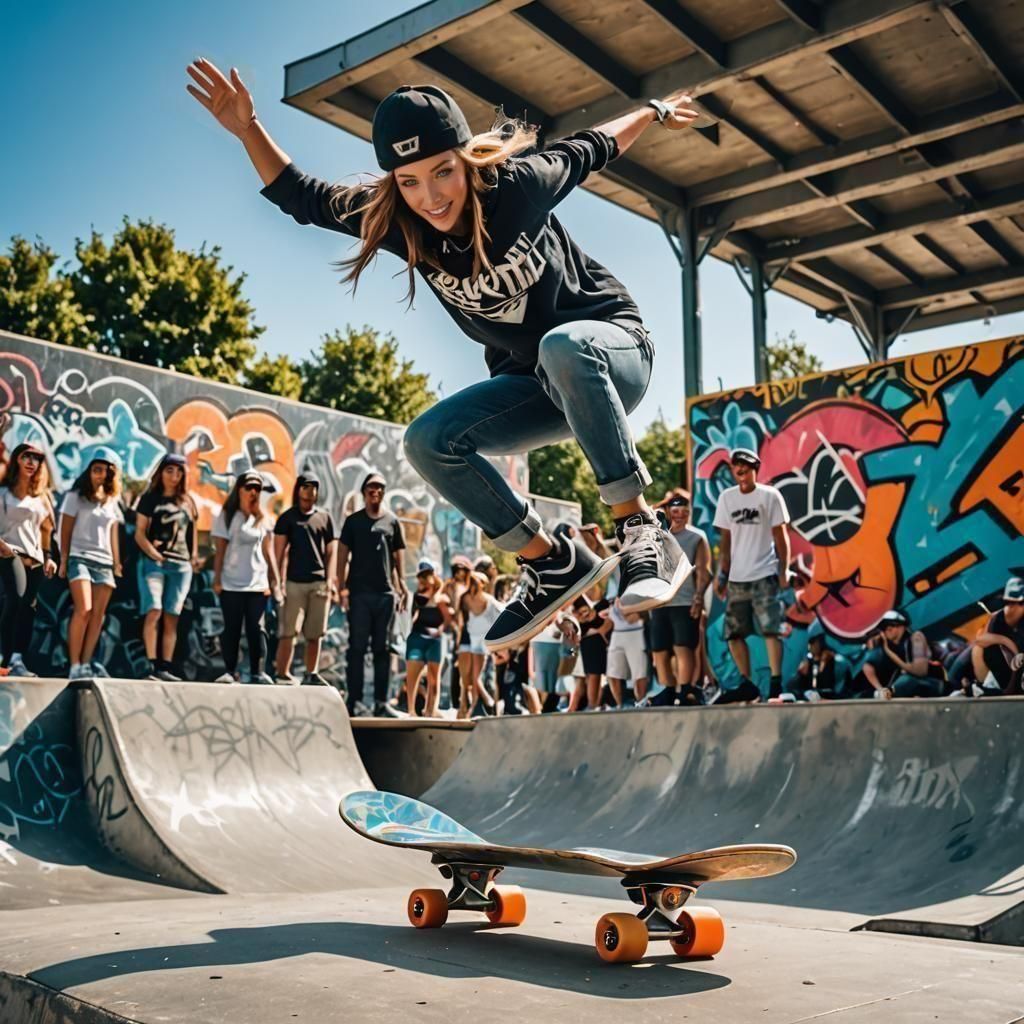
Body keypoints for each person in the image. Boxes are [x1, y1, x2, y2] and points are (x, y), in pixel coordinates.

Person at [188, 62, 700, 656]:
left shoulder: (518, 186)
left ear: (466, 159)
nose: (431, 198)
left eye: (443, 174)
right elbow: (302, 197)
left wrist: (656, 109)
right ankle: (552, 563)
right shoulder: (397, 221)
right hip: (536, 387)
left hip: (613, 354)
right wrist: (249, 128)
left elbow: (596, 145)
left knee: (563, 346)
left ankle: (641, 528)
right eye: (409, 182)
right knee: (427, 440)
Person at [712, 448, 791, 703]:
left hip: (764, 573)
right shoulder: (727, 498)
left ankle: (777, 684)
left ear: (755, 468)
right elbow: (726, 540)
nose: (740, 469)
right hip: (737, 578)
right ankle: (748, 684)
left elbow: (781, 537)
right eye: (736, 465)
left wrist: (784, 569)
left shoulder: (770, 496)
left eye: (745, 465)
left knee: (771, 630)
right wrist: (721, 575)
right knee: (734, 635)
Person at [338, 472, 408, 717]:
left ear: (383, 492)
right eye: (370, 488)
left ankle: (381, 702)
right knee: (356, 648)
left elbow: (399, 556)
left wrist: (403, 587)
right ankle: (354, 701)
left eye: (379, 487)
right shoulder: (353, 521)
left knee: (383, 649)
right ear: (364, 492)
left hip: (385, 594)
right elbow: (342, 553)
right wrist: (341, 586)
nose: (375, 491)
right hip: (359, 594)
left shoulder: (392, 522)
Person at [59, 447, 124, 680]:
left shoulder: (111, 499)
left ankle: (86, 664)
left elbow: (113, 532)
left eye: (106, 472)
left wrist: (116, 563)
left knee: (98, 615)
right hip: (80, 558)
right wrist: (63, 560)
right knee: (83, 610)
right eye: (97, 470)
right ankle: (74, 664)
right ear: (89, 471)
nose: (101, 475)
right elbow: (64, 530)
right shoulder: (75, 496)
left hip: (104, 562)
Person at [134, 453, 201, 681]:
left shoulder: (187, 501)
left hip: (181, 567)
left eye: (179, 471)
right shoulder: (150, 499)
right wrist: (154, 555)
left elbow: (192, 533)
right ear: (161, 472)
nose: (174, 476)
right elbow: (139, 533)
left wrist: (192, 558)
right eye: (169, 470)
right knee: (154, 610)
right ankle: (150, 666)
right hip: (154, 564)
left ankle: (164, 667)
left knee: (172, 616)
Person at [212, 470, 281, 684]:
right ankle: (230, 671)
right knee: (232, 628)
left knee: (256, 629)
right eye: (249, 488)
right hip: (231, 582)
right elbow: (220, 551)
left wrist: (275, 580)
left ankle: (257, 672)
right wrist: (217, 579)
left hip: (257, 584)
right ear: (239, 490)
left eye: (257, 489)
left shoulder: (264, 518)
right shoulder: (227, 516)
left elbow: (269, 552)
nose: (253, 492)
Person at [273, 473, 338, 686]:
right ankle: (282, 673)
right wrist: (278, 582)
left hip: (318, 582)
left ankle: (312, 673)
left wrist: (330, 580)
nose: (310, 491)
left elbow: (331, 552)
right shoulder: (287, 518)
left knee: (315, 632)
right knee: (288, 632)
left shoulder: (325, 518)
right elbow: (279, 552)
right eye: (306, 486)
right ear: (298, 489)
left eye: (314, 487)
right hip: (293, 583)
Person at [0, 443, 57, 677]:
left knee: (29, 607)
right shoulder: (3, 492)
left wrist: (49, 558)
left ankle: (17, 659)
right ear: (17, 460)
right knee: (16, 598)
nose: (32, 462)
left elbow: (46, 531)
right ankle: (4, 655)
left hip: (34, 558)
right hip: (8, 552)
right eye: (27, 457)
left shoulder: (41, 498)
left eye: (37, 459)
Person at [650, 492, 710, 706]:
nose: (679, 515)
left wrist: (698, 598)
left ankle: (685, 690)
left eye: (684, 511)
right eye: (675, 510)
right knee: (659, 651)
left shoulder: (697, 537)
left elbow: (704, 571)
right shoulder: (658, 536)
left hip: (685, 601)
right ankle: (667, 690)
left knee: (683, 647)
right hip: (660, 601)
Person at [404, 560, 455, 717]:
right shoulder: (418, 595)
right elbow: (413, 615)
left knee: (434, 677)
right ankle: (411, 710)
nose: (424, 578)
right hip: (418, 635)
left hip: (435, 639)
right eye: (421, 575)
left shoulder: (442, 595)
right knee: (412, 674)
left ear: (433, 575)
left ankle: (431, 710)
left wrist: (439, 631)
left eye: (427, 574)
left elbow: (448, 618)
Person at [860, 609, 941, 698]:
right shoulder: (888, 645)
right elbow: (867, 666)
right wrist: (880, 689)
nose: (887, 630)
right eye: (884, 627)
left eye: (891, 625)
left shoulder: (916, 638)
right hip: (905, 687)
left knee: (905, 682)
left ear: (902, 626)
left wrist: (890, 653)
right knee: (865, 695)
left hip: (933, 684)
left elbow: (920, 671)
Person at [969, 577, 1024, 695]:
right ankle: (985, 690)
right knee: (977, 650)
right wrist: (1006, 641)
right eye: (1009, 602)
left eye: (1018, 603)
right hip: (1004, 669)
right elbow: (981, 640)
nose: (1012, 608)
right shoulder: (998, 618)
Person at [459, 570, 503, 717]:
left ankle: (477, 704)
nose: (473, 585)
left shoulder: (489, 601)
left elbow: (499, 619)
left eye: (476, 583)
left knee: (474, 677)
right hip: (468, 640)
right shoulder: (465, 599)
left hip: (480, 642)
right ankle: (469, 706)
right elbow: (460, 620)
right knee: (467, 678)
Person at [784, 620, 854, 701]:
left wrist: (825, 664)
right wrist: (801, 675)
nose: (810, 646)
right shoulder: (808, 663)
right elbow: (793, 688)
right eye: (810, 643)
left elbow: (840, 692)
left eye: (813, 642)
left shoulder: (839, 663)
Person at [605, 600, 648, 707]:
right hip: (617, 633)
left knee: (639, 674)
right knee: (612, 674)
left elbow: (633, 617)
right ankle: (619, 705)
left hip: (636, 632)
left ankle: (640, 703)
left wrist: (638, 613)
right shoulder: (615, 586)